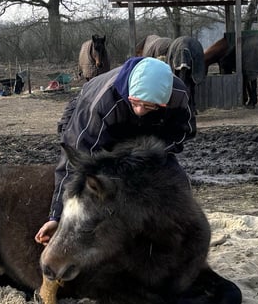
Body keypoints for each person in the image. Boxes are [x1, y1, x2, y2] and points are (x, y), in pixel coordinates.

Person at [35, 56, 196, 245]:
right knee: (99, 184)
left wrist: (148, 152)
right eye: (136, 102)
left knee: (177, 179)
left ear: (164, 101)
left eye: (148, 105)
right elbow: (76, 159)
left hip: (147, 135)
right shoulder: (102, 102)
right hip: (100, 122)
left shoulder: (178, 94)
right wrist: (56, 215)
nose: (139, 110)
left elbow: (183, 132)